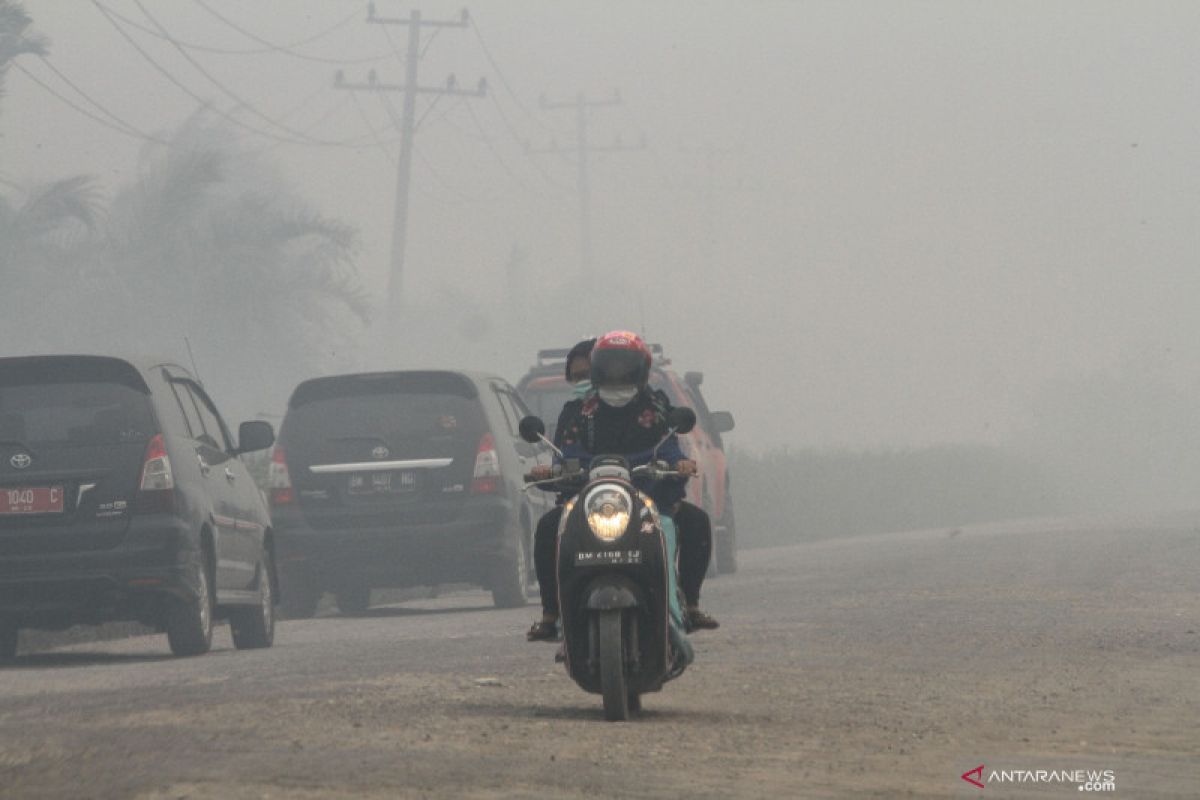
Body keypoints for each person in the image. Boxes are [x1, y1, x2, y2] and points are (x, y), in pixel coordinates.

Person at [526, 331, 719, 641]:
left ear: (641, 370)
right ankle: (552, 613)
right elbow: (567, 455)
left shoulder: (657, 407)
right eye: (610, 368)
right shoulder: (578, 412)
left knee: (697, 523)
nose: (617, 375)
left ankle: (690, 604)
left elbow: (669, 447)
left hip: (650, 500)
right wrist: (553, 471)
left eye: (624, 367)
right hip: (590, 502)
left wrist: (678, 464)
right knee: (548, 529)